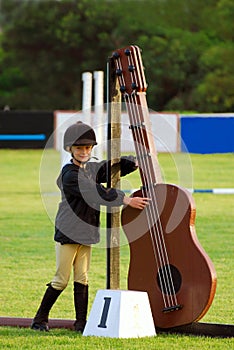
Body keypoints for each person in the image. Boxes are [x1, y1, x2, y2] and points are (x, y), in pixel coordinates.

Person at [31, 121, 150, 333]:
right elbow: (95, 191)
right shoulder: (70, 175)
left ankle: (81, 323)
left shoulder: (89, 168)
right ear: (70, 150)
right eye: (79, 148)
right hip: (69, 233)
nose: (84, 151)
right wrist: (126, 200)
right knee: (61, 279)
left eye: (88, 148)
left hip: (86, 232)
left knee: (82, 278)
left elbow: (106, 168)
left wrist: (131, 163)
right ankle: (39, 319)